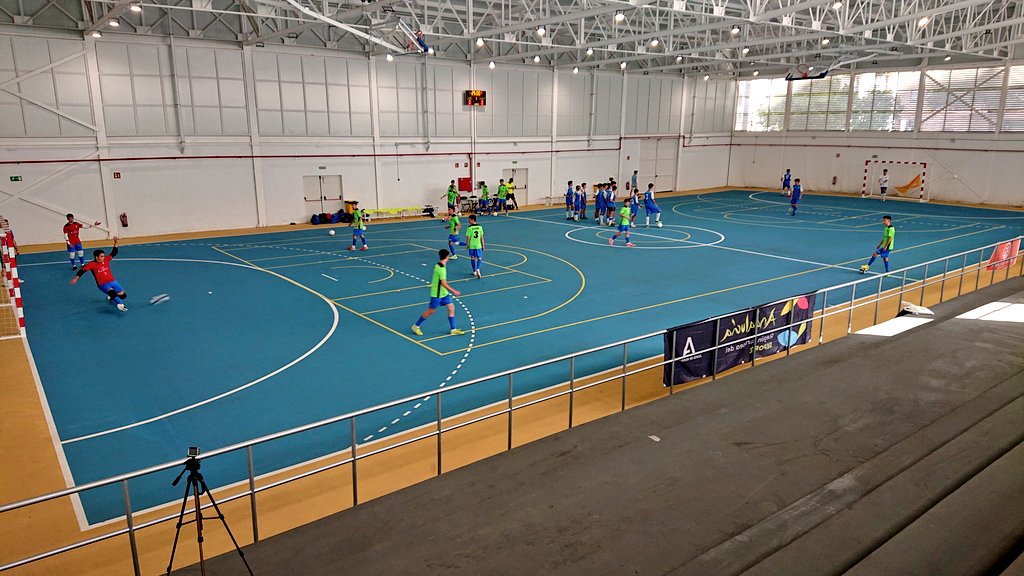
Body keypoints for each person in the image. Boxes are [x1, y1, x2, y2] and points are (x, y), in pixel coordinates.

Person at [411, 249, 465, 336]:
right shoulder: (441, 269)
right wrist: (454, 291)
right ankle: (416, 326)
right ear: (446, 257)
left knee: (451, 308)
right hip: (437, 294)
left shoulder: (438, 265)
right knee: (431, 311)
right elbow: (443, 283)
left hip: (444, 293)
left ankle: (453, 329)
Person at [70, 237, 128, 311]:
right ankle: (120, 304)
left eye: (103, 256)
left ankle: (111, 297)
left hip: (112, 281)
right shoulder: (92, 264)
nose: (103, 257)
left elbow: (114, 253)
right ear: (96, 257)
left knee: (123, 295)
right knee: (112, 292)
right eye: (101, 256)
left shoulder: (106, 260)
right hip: (102, 284)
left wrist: (116, 243)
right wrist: (76, 278)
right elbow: (82, 271)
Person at [466, 214, 485, 278]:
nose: (468, 221)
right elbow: (482, 237)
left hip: (472, 245)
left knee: (472, 258)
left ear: (472, 220)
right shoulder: (480, 227)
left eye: (469, 220)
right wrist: (483, 245)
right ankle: (478, 269)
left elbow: (468, 237)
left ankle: (474, 271)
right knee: (479, 258)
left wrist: (467, 245)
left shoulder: (469, 228)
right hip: (478, 245)